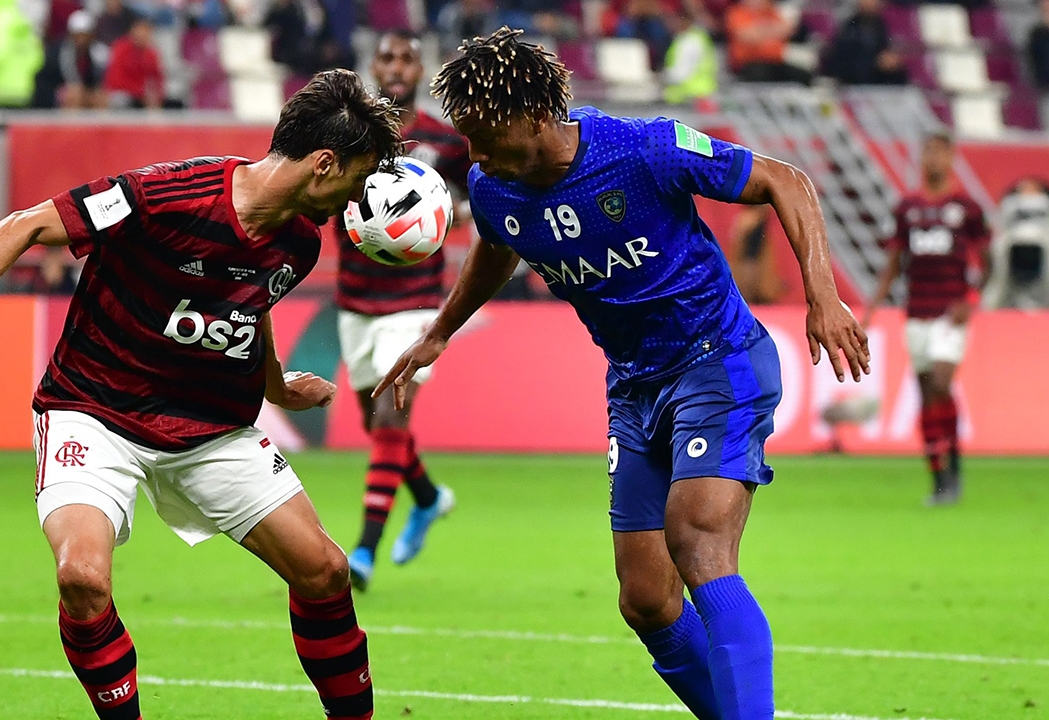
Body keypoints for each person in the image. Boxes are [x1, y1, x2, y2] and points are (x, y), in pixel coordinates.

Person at [378, 28, 869, 719]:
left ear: (533, 113)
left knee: (697, 542)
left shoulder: (644, 150)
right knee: (646, 599)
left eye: (485, 136)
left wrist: (823, 294)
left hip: (718, 360)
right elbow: (496, 244)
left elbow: (783, 180)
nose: (476, 155)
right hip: (634, 387)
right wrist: (440, 330)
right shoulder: (493, 187)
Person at [0, 69, 402, 720]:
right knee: (82, 578)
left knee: (325, 571)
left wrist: (276, 385)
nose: (358, 197)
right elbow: (29, 224)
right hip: (95, 410)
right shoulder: (167, 194)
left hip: (210, 427)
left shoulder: (299, 242)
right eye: (359, 177)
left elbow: (250, 303)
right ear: (324, 164)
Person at [337, 30, 470, 591]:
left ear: (421, 71)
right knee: (376, 425)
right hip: (354, 299)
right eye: (387, 58)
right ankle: (428, 497)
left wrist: (455, 212)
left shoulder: (445, 142)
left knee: (393, 418)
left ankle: (364, 551)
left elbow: (483, 194)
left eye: (407, 60)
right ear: (373, 67)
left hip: (415, 300)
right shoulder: (347, 135)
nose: (396, 68)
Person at [864, 132, 989, 506]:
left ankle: (954, 467)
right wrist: (869, 310)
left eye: (939, 151)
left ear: (951, 157)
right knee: (925, 392)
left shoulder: (966, 208)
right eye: (927, 151)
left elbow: (990, 261)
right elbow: (893, 264)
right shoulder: (908, 208)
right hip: (916, 312)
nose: (932, 158)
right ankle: (938, 477)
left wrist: (971, 300)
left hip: (950, 313)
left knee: (940, 382)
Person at [822, 0, 907, 86]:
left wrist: (892, 64)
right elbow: (840, 63)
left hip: (879, 85)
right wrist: (875, 63)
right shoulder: (849, 28)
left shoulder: (883, 27)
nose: (870, 3)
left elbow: (891, 59)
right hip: (852, 85)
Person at [103, 17, 166, 109]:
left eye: (146, 31)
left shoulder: (151, 53)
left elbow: (157, 77)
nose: (143, 34)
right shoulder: (121, 48)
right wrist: (140, 92)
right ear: (133, 32)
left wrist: (157, 95)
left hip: (141, 95)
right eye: (140, 30)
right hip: (124, 93)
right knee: (120, 100)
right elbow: (115, 80)